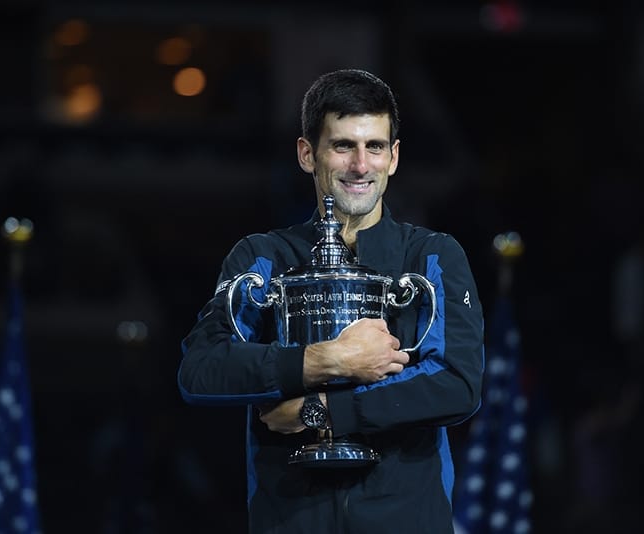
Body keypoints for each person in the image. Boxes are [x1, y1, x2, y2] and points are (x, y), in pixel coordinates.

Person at [177, 68, 485, 533]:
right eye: (343, 146)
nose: (361, 165)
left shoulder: (431, 255)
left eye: (375, 147)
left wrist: (319, 411)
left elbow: (457, 384)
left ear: (394, 157)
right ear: (307, 154)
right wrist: (327, 360)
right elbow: (201, 369)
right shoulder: (263, 256)